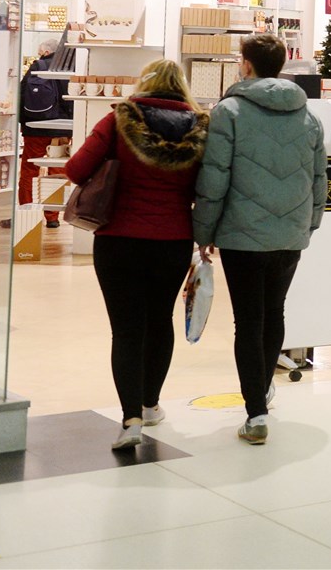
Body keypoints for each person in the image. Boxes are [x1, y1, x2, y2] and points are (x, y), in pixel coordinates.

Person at [65, 60, 208, 451]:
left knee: (126, 328)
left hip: (119, 241)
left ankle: (129, 420)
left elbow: (76, 170)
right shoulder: (200, 128)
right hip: (172, 240)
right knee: (160, 321)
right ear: (182, 87)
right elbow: (205, 186)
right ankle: (150, 404)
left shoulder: (117, 121)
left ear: (145, 82)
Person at [194, 33, 326, 447]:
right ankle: (263, 388)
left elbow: (215, 179)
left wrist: (204, 232)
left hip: (241, 235)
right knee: (274, 312)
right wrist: (310, 223)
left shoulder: (228, 112)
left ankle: (255, 412)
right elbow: (320, 178)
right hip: (290, 234)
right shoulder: (309, 116)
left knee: (248, 320)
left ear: (246, 65)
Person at [16, 38, 72, 228]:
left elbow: (22, 95)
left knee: (29, 170)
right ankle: (53, 217)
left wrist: (23, 123)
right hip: (62, 128)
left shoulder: (38, 66)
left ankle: (26, 214)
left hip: (35, 128)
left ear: (46, 52)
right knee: (57, 171)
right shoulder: (69, 68)